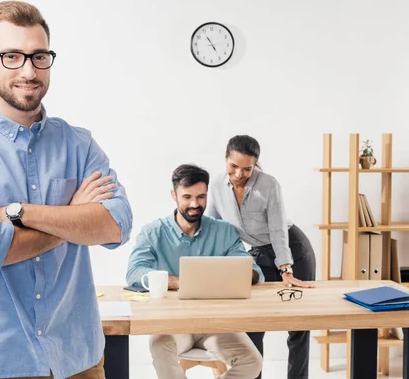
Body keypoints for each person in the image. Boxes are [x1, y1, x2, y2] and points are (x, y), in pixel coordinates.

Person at [0, 1, 132, 379]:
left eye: (39, 56)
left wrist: (18, 213)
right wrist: (72, 219)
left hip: (78, 360)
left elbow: (116, 226)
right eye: (11, 56)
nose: (28, 70)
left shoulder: (80, 144)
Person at [126, 164, 264, 379]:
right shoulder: (153, 232)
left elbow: (253, 271)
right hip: (171, 323)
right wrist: (181, 282)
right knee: (160, 348)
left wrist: (239, 275)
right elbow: (135, 272)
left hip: (216, 323)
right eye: (187, 197)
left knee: (252, 362)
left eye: (201, 197)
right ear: (174, 195)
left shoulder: (223, 231)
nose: (194, 204)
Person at [206, 135, 316, 379]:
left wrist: (286, 269)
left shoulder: (268, 184)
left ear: (255, 165)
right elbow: (213, 227)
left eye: (247, 169)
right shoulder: (215, 186)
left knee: (298, 325)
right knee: (253, 324)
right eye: (233, 166)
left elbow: (278, 229)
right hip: (257, 253)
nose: (238, 174)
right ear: (225, 158)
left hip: (292, 249)